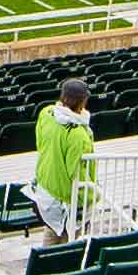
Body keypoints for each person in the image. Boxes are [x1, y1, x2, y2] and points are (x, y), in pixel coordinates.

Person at [30, 76, 100, 239]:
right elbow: (76, 171)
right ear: (82, 101)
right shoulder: (77, 135)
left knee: (50, 237)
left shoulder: (46, 113)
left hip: (45, 190)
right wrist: (92, 196)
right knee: (70, 247)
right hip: (66, 199)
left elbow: (40, 145)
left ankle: (43, 264)